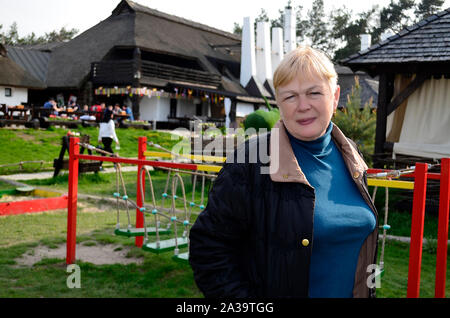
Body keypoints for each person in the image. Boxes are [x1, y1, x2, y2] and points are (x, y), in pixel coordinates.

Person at [188, 45, 378, 298]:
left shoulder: (350, 154)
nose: (302, 105)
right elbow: (208, 249)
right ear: (278, 102)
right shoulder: (250, 162)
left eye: (314, 93)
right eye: (290, 96)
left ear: (335, 96)